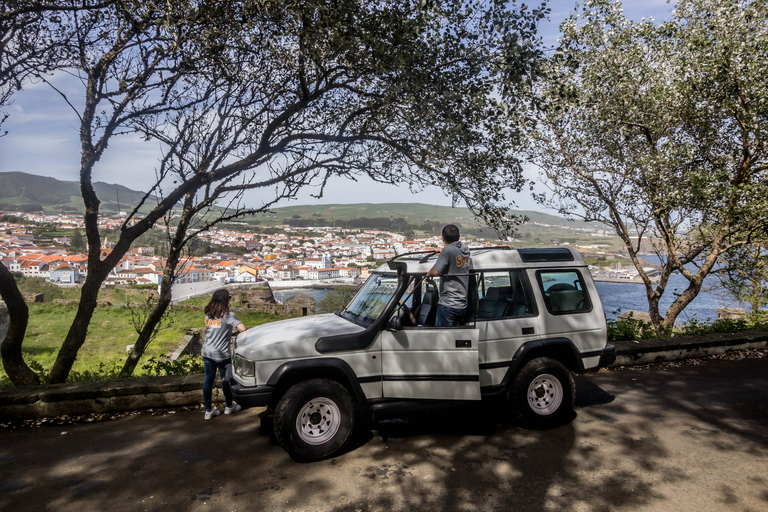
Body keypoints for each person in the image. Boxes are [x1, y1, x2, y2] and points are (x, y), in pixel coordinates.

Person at [201, 289, 246, 420]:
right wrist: (235, 334)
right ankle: (229, 406)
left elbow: (213, 331)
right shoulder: (228, 315)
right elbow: (242, 328)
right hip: (222, 354)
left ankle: (208, 410)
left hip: (207, 352)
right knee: (225, 381)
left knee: (208, 381)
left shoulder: (208, 315)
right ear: (225, 300)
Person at [426, 224, 472, 327]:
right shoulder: (465, 249)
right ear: (459, 237)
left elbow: (436, 271)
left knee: (443, 338)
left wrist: (428, 275)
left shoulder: (447, 251)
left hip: (448, 304)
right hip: (462, 304)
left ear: (442, 238)